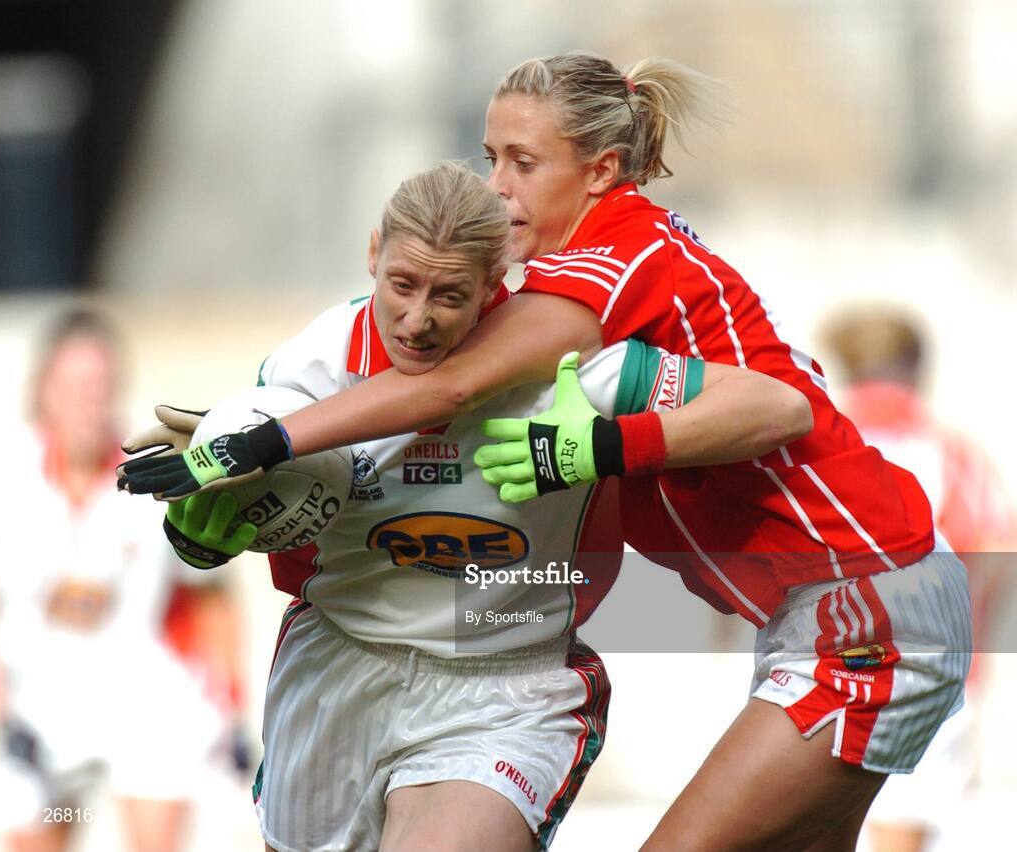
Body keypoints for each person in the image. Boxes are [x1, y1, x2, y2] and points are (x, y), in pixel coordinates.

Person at [119, 54, 971, 851]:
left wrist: (264, 441)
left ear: (599, 170)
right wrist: (233, 484)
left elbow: (449, 387)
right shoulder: (569, 269)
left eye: (523, 162)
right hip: (839, 604)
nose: (498, 187)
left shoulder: (610, 259)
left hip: (863, 606)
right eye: (492, 157)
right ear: (374, 260)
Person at [134, 160, 813, 852]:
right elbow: (273, 527)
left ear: (496, 284)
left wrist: (602, 446)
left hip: (504, 684)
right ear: (373, 254)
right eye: (401, 284)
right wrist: (212, 531)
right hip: (339, 668)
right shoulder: (314, 364)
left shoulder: (567, 365)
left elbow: (779, 406)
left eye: (450, 295)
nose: (418, 319)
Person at [0, 310, 237, 852]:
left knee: (154, 836)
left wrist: (231, 704)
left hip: (140, 700)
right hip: (40, 710)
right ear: (43, 391)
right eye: (76, 386)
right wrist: (2, 713)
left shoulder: (153, 481)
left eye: (101, 386)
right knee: (43, 827)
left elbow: (210, 592)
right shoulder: (8, 480)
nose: (90, 401)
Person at [822, 308, 1015, 852]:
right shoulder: (953, 455)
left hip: (824, 661)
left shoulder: (817, 444)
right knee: (900, 830)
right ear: (915, 366)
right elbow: (997, 556)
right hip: (929, 662)